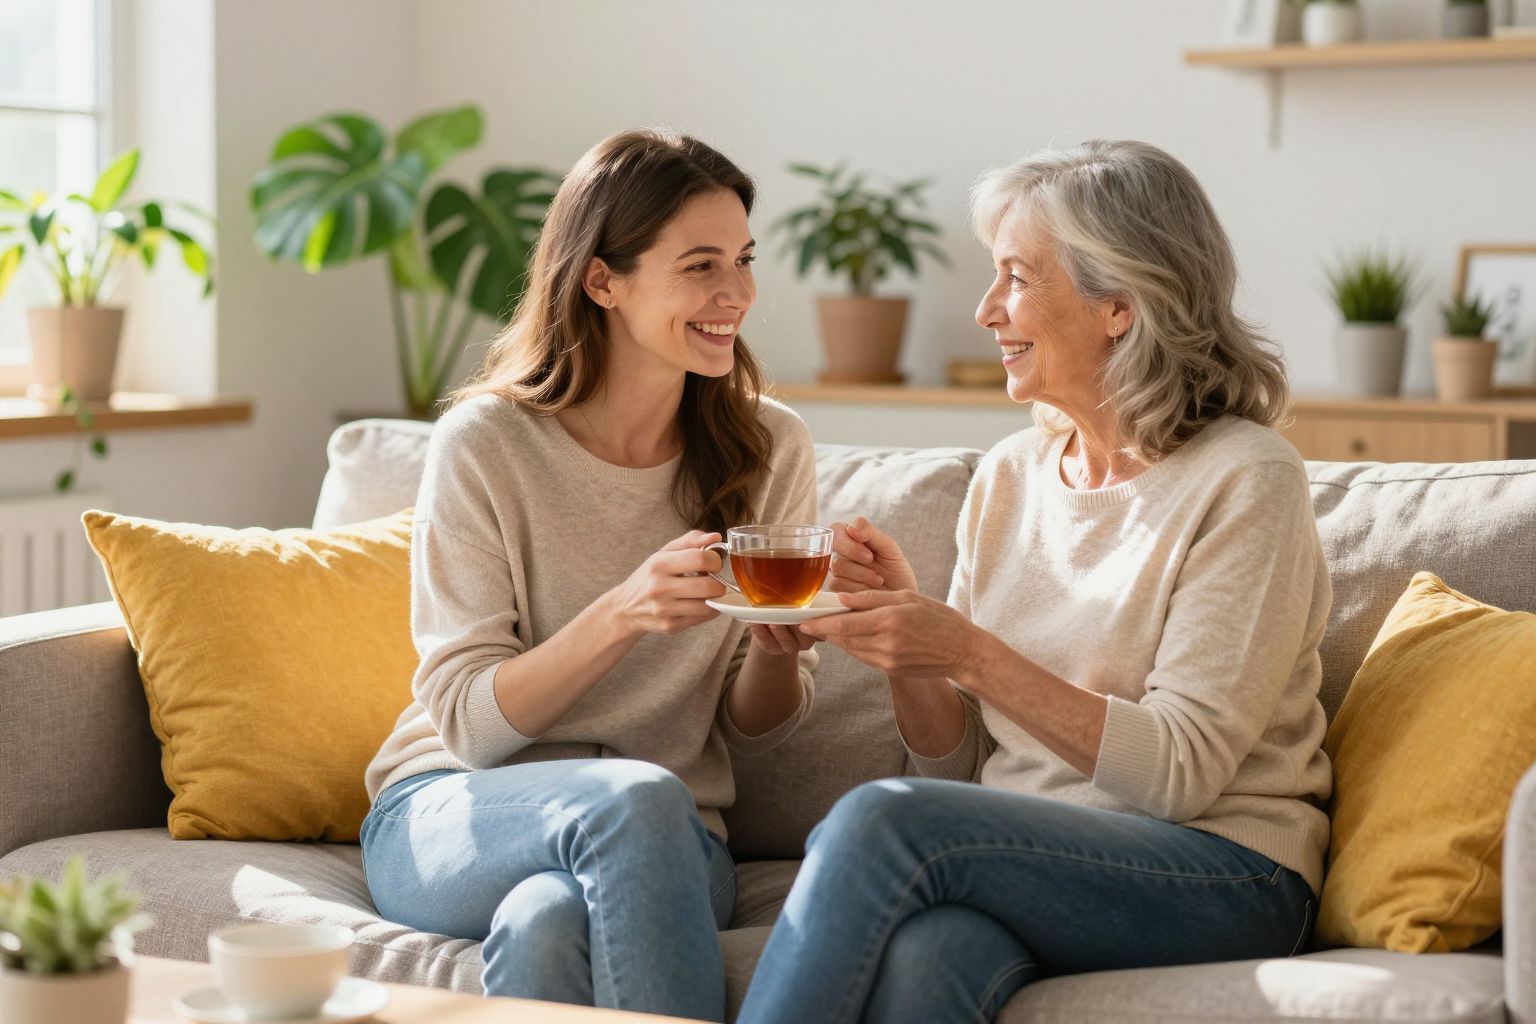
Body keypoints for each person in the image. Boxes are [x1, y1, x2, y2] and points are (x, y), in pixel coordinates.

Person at [738, 139, 1332, 1024]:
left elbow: (1180, 772)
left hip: (1223, 869)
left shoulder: (1247, 479)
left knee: (879, 822)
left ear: (1120, 307)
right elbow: (964, 762)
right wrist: (913, 647)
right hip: (1045, 860)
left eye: (1016, 278)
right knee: (929, 958)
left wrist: (969, 651)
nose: (985, 310)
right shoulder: (1013, 474)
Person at [360, 128, 819, 1023]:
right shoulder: (487, 444)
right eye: (700, 266)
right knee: (635, 799)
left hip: (672, 838)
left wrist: (774, 651)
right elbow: (469, 727)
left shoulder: (770, 449)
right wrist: (624, 612)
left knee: (544, 925)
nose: (736, 294)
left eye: (744, 261)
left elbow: (758, 724)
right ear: (602, 280)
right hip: (458, 810)